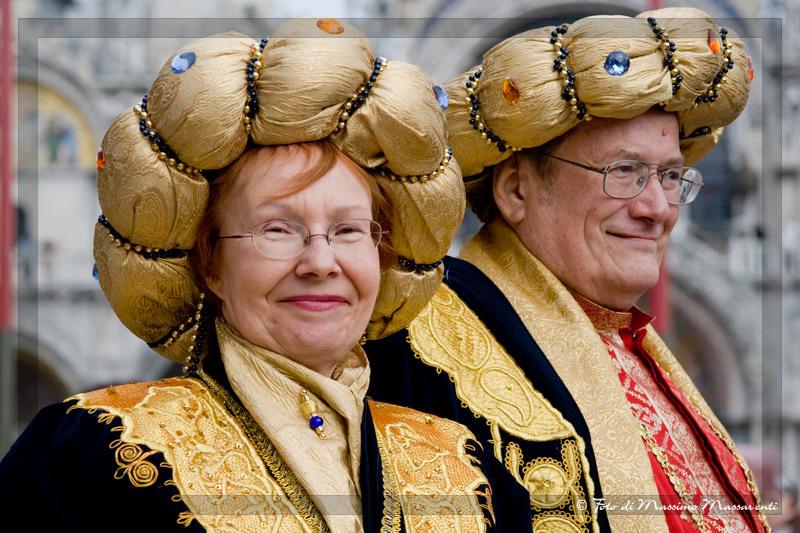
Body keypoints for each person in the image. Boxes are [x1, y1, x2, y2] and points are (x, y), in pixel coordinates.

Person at [0, 19, 506, 532]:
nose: (320, 262)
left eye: (349, 230)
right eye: (277, 230)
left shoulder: (460, 465)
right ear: (211, 264)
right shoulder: (91, 454)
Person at [365, 7, 771, 532]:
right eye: (623, 171)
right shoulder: (420, 341)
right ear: (516, 190)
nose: (657, 208)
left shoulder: (634, 346)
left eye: (671, 176)